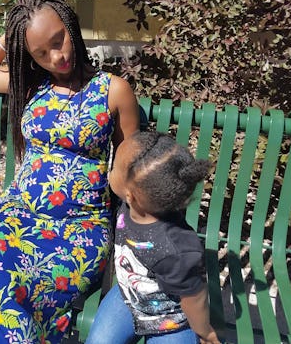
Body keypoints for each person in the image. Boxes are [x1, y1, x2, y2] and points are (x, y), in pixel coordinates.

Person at [0, 0, 140, 343]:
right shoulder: (32, 85)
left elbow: (130, 169)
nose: (56, 58)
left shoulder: (112, 90)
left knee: (19, 292)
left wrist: (132, 237)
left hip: (78, 229)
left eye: (59, 42)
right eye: (41, 53)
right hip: (17, 214)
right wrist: (10, 35)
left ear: (71, 27)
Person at [85, 131, 221, 344]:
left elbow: (194, 298)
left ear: (130, 194)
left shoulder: (178, 248)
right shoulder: (130, 205)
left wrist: (204, 331)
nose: (109, 172)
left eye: (114, 169)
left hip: (170, 319)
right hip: (127, 297)